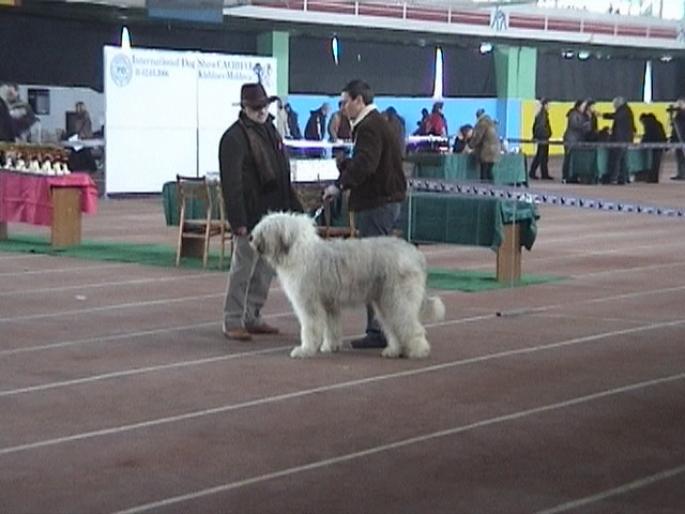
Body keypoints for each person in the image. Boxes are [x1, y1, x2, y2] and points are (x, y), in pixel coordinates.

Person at [219, 82, 304, 341]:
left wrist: (295, 209)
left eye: (264, 105)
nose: (261, 110)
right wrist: (238, 221)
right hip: (250, 215)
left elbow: (282, 174)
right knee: (243, 269)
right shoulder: (233, 138)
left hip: (274, 215)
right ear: (244, 107)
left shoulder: (270, 131)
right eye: (256, 107)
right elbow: (231, 184)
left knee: (265, 269)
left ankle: (252, 315)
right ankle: (233, 320)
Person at [333, 79, 407, 349]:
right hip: (382, 201)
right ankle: (381, 328)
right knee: (379, 270)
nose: (342, 108)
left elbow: (367, 164)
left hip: (377, 203)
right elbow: (368, 162)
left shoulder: (369, 127)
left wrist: (340, 183)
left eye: (344, 102)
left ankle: (380, 330)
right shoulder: (375, 124)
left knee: (375, 271)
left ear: (358, 101)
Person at [601, 96, 635, 185]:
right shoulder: (627, 110)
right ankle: (622, 178)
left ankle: (614, 178)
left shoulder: (623, 110)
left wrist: (603, 115)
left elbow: (615, 117)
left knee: (616, 159)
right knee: (622, 159)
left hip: (620, 139)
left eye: (614, 105)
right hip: (625, 139)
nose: (614, 106)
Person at [562, 99, 591, 182]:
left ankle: (573, 176)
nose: (584, 108)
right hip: (571, 139)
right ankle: (566, 176)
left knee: (574, 159)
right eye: (583, 106)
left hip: (577, 139)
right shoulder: (574, 114)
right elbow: (574, 125)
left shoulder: (582, 115)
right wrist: (585, 124)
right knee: (569, 158)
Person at [469, 108, 501, 181]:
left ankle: (485, 188)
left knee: (484, 171)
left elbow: (477, 137)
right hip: (495, 150)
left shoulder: (482, 123)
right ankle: (492, 187)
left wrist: (470, 146)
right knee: (489, 170)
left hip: (487, 151)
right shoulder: (491, 122)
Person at [529, 98, 553, 180]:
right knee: (540, 156)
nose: (549, 106)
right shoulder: (543, 115)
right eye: (548, 104)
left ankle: (544, 173)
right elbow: (541, 127)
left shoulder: (542, 114)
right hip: (543, 138)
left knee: (542, 156)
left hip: (542, 137)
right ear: (545, 105)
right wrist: (546, 134)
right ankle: (533, 172)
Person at [639, 113, 666, 183]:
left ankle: (652, 178)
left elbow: (647, 135)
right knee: (657, 163)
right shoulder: (658, 123)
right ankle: (655, 178)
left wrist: (642, 143)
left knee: (652, 163)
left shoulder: (648, 124)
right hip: (661, 145)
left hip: (654, 145)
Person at [669, 98, 685, 181]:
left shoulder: (680, 116)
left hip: (682, 139)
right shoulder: (677, 115)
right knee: (680, 157)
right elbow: (674, 129)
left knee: (681, 157)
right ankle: (681, 174)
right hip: (679, 140)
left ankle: (682, 174)